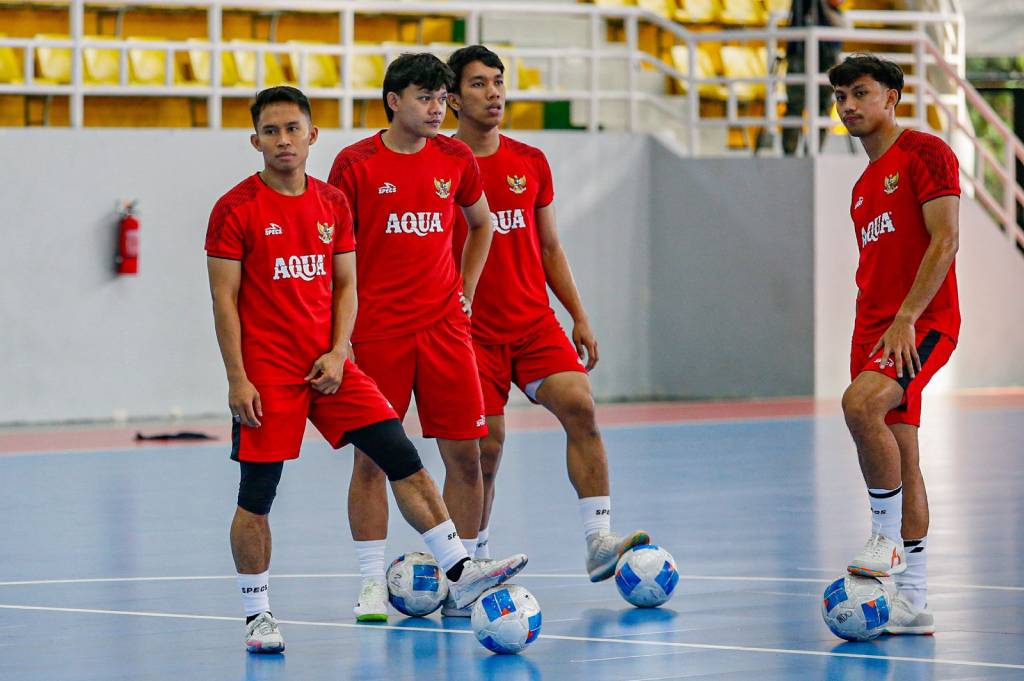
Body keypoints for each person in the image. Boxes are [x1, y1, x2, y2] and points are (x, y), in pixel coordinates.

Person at [206, 86, 526, 651]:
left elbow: (346, 285)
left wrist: (338, 350)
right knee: (257, 494)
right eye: (271, 131)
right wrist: (238, 377)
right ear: (255, 141)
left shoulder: (331, 203)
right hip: (268, 374)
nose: (283, 140)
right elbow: (223, 301)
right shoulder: (235, 209)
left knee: (402, 456)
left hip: (330, 365)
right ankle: (258, 616)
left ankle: (460, 569)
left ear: (312, 135)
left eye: (293, 129)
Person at [444, 46, 650, 614]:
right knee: (485, 451)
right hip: (470, 333)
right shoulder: (441, 166)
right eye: (479, 84)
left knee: (580, 405)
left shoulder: (530, 161)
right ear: (453, 99)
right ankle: (471, 567)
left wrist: (578, 314)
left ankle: (598, 540)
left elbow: (551, 246)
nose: (493, 93)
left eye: (498, 82)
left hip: (534, 323)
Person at [327, 54, 496, 621]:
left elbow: (481, 223)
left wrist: (465, 290)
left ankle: (462, 581)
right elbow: (335, 254)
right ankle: (371, 583)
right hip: (377, 335)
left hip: (445, 331)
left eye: (442, 98)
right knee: (371, 463)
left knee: (466, 457)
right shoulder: (354, 165)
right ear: (393, 100)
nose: (437, 109)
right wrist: (341, 334)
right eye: (425, 97)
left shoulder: (456, 157)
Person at [831, 55, 960, 635]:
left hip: (921, 324)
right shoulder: (862, 187)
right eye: (840, 96)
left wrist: (908, 316)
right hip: (873, 332)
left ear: (891, 98)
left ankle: (884, 540)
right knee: (903, 455)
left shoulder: (926, 153)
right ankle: (913, 601)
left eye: (860, 93)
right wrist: (875, 331)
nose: (848, 106)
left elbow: (946, 239)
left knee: (859, 405)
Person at [783, 0, 846, 155]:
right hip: (800, 50)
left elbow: (838, 5)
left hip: (826, 53)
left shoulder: (829, 10)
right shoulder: (800, 5)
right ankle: (790, 153)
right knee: (795, 105)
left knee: (823, 105)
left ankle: (814, 151)